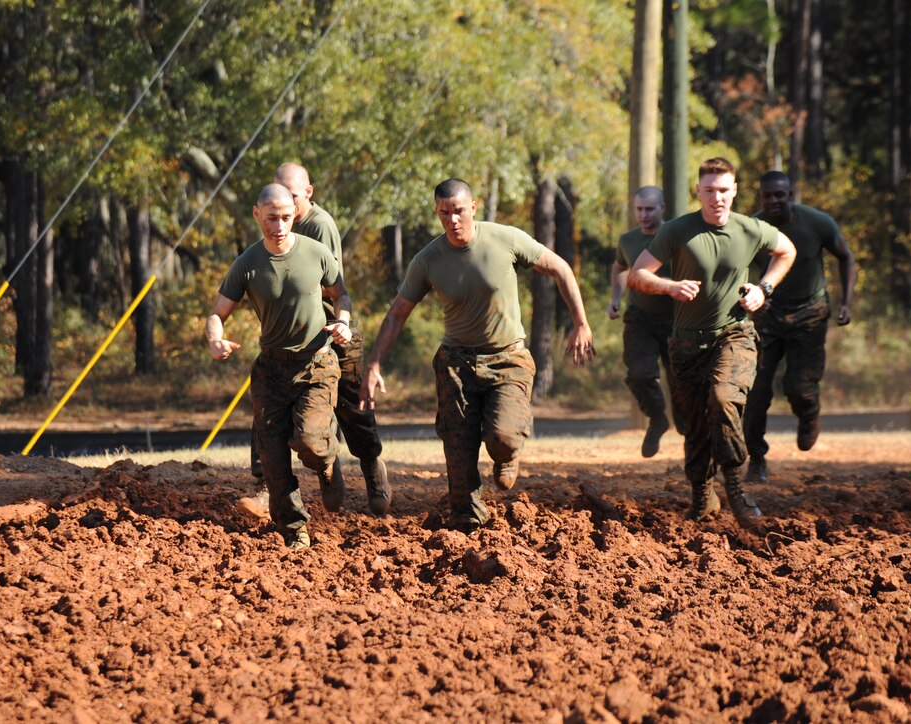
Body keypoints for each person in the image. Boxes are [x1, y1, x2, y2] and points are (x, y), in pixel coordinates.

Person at [360, 178, 595, 532]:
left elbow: (560, 268)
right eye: (444, 213)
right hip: (457, 363)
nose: (452, 220)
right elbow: (397, 313)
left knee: (501, 437)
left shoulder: (506, 238)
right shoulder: (428, 260)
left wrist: (581, 322)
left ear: (474, 206)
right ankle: (467, 521)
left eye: (458, 211)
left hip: (509, 359)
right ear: (437, 213)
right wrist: (374, 363)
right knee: (459, 446)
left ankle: (507, 452)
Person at [627, 158, 796, 529]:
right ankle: (703, 494)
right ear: (698, 191)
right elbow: (637, 275)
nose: (717, 197)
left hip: (733, 334)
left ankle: (735, 486)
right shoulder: (676, 231)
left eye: (724, 190)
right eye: (709, 190)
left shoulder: (752, 229)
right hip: (686, 345)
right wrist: (669, 286)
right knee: (694, 425)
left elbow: (787, 251)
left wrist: (763, 287)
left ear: (735, 191)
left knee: (723, 399)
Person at [205, 183, 353, 550]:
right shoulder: (247, 263)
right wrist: (215, 338)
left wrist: (344, 322)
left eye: (287, 217)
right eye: (272, 218)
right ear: (258, 215)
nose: (280, 225)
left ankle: (328, 463)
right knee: (272, 458)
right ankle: (294, 530)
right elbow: (217, 313)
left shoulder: (316, 253)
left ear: (295, 215)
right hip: (271, 369)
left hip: (316, 363)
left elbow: (341, 294)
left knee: (309, 442)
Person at [270, 162, 391, 514]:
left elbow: (324, 286)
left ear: (308, 193)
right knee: (285, 406)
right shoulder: (277, 223)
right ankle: (326, 468)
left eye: (291, 196)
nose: (284, 206)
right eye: (279, 197)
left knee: (352, 410)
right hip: (295, 336)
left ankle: (371, 466)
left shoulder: (318, 225)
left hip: (331, 330)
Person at [743, 171, 857, 482]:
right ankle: (757, 459)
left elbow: (846, 257)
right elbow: (735, 267)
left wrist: (846, 302)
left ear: (790, 193)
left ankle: (809, 413)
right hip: (768, 316)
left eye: (780, 195)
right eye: (768, 196)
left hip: (810, 315)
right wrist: (752, 292)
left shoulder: (817, 222)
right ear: (762, 197)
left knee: (800, 386)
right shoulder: (753, 228)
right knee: (755, 392)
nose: (774, 201)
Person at [607, 186, 684, 457]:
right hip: (640, 317)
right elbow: (620, 266)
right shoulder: (627, 240)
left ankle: (689, 431)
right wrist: (616, 297)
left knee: (682, 381)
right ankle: (657, 419)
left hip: (677, 318)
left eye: (649, 209)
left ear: (662, 208)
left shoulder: (677, 235)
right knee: (639, 374)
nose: (643, 214)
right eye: (638, 209)